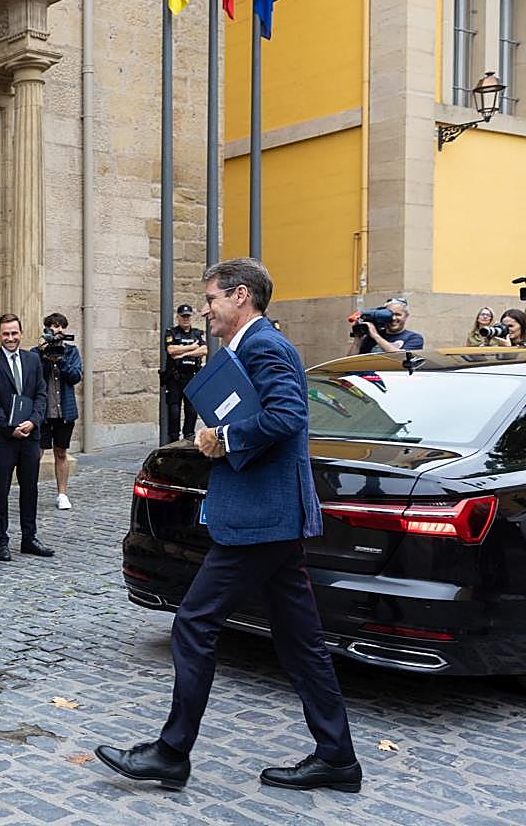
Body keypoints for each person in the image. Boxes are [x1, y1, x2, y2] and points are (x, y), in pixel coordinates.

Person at [96, 258, 360, 794]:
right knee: (301, 641)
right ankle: (337, 757)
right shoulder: (245, 350)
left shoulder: (267, 346)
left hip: (263, 520)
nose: (207, 309)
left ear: (241, 296)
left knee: (194, 624)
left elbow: (288, 417)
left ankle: (171, 754)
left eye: (212, 299)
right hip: (268, 519)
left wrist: (225, 438)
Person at [0, 314, 52, 562]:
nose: (10, 338)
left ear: (21, 334)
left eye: (14, 333)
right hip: (4, 438)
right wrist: (10, 427)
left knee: (30, 488)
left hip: (30, 436)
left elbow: (42, 394)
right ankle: (2, 541)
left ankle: (29, 537)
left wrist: (33, 421)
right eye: (5, 334)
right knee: (1, 491)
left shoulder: (33, 360)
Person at [32, 312, 83, 509]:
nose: (58, 329)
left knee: (61, 452)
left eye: (61, 326)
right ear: (46, 329)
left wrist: (60, 360)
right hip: (43, 412)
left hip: (64, 412)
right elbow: (33, 376)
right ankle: (32, 490)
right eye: (53, 326)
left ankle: (62, 494)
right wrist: (44, 355)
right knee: (36, 453)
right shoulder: (37, 353)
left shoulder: (71, 352)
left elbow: (75, 377)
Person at [163, 304, 206, 443]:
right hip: (175, 378)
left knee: (192, 411)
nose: (185, 319)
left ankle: (189, 437)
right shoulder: (172, 332)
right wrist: (192, 347)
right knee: (174, 412)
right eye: (183, 316)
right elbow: (171, 350)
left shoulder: (197, 333)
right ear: (178, 317)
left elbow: (204, 350)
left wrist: (184, 353)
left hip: (192, 377)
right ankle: (173, 440)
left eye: (188, 316)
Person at [347, 297, 424, 354]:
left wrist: (376, 335)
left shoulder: (414, 338)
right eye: (389, 315)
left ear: (406, 316)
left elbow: (401, 358)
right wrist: (358, 339)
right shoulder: (370, 338)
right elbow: (349, 364)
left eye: (398, 315)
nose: (393, 318)